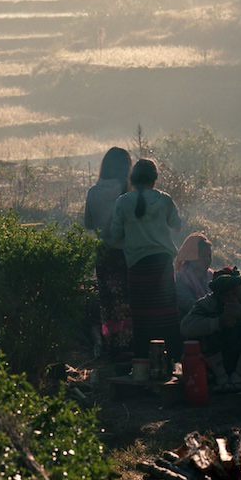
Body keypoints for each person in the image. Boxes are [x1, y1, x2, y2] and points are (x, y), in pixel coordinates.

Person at [109, 158, 183, 358]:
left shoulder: (123, 202)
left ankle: (142, 362)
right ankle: (176, 361)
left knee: (142, 319)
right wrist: (162, 237)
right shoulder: (164, 199)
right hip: (162, 265)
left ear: (132, 179)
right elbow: (177, 224)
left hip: (138, 267)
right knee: (168, 317)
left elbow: (115, 235)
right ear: (154, 179)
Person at [181, 267, 241, 392]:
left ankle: (239, 375)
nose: (231, 298)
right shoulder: (207, 304)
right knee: (198, 336)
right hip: (216, 360)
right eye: (226, 295)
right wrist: (218, 322)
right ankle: (220, 376)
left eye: (234, 293)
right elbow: (186, 327)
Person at [84, 146, 133, 361]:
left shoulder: (93, 192)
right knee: (128, 301)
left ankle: (112, 345)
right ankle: (129, 345)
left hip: (103, 254)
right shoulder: (127, 193)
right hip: (125, 254)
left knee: (109, 303)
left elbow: (87, 224)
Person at [173, 232, 213, 315]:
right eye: (203, 256)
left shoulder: (213, 277)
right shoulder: (180, 279)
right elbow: (189, 305)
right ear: (191, 257)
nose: (207, 259)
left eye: (209, 256)